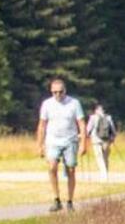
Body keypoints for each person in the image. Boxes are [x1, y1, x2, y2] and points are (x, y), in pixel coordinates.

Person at [36, 78, 89, 212]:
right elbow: (42, 125)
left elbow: (81, 124)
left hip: (70, 140)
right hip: (53, 140)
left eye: (60, 92)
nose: (58, 95)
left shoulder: (74, 103)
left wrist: (83, 144)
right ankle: (56, 199)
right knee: (52, 167)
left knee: (70, 169)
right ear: (51, 92)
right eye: (55, 92)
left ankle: (70, 201)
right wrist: (40, 145)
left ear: (65, 90)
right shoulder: (47, 104)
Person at [87, 102, 117, 181]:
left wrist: (85, 136)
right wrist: (113, 137)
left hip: (96, 140)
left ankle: (104, 175)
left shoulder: (93, 118)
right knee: (105, 158)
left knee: (99, 157)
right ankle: (105, 174)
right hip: (107, 140)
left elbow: (88, 129)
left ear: (96, 110)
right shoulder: (108, 117)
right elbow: (113, 130)